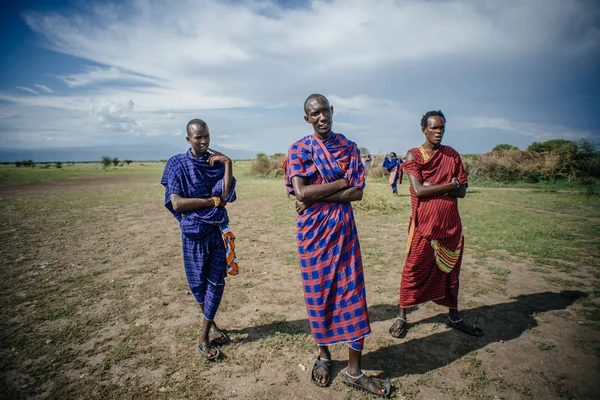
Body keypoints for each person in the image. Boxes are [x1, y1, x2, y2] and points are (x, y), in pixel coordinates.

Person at [284, 94, 391, 397]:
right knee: (318, 295)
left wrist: (317, 194)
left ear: (332, 112)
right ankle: (324, 355)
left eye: (325, 111)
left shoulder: (348, 148)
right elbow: (300, 192)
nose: (321, 117)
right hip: (313, 236)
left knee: (352, 295)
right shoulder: (299, 149)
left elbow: (356, 193)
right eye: (314, 113)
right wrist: (341, 182)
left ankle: (354, 371)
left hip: (343, 233)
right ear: (307, 118)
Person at [388, 110, 483, 340]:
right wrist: (448, 185)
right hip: (424, 227)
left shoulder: (452, 155)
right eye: (434, 128)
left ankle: (453, 316)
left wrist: (437, 185)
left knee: (451, 273)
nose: (438, 132)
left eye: (441, 128)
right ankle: (402, 316)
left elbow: (462, 191)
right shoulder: (414, 156)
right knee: (413, 270)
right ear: (424, 129)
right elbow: (419, 190)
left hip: (450, 228)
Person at [161, 118, 238, 361]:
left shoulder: (215, 164)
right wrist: (211, 201)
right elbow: (177, 203)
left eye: (206, 136)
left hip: (215, 232)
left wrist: (228, 164)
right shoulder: (177, 164)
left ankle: (203, 337)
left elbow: (225, 194)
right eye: (198, 137)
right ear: (188, 139)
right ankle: (212, 324)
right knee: (198, 284)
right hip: (192, 234)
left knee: (216, 283)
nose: (204, 141)